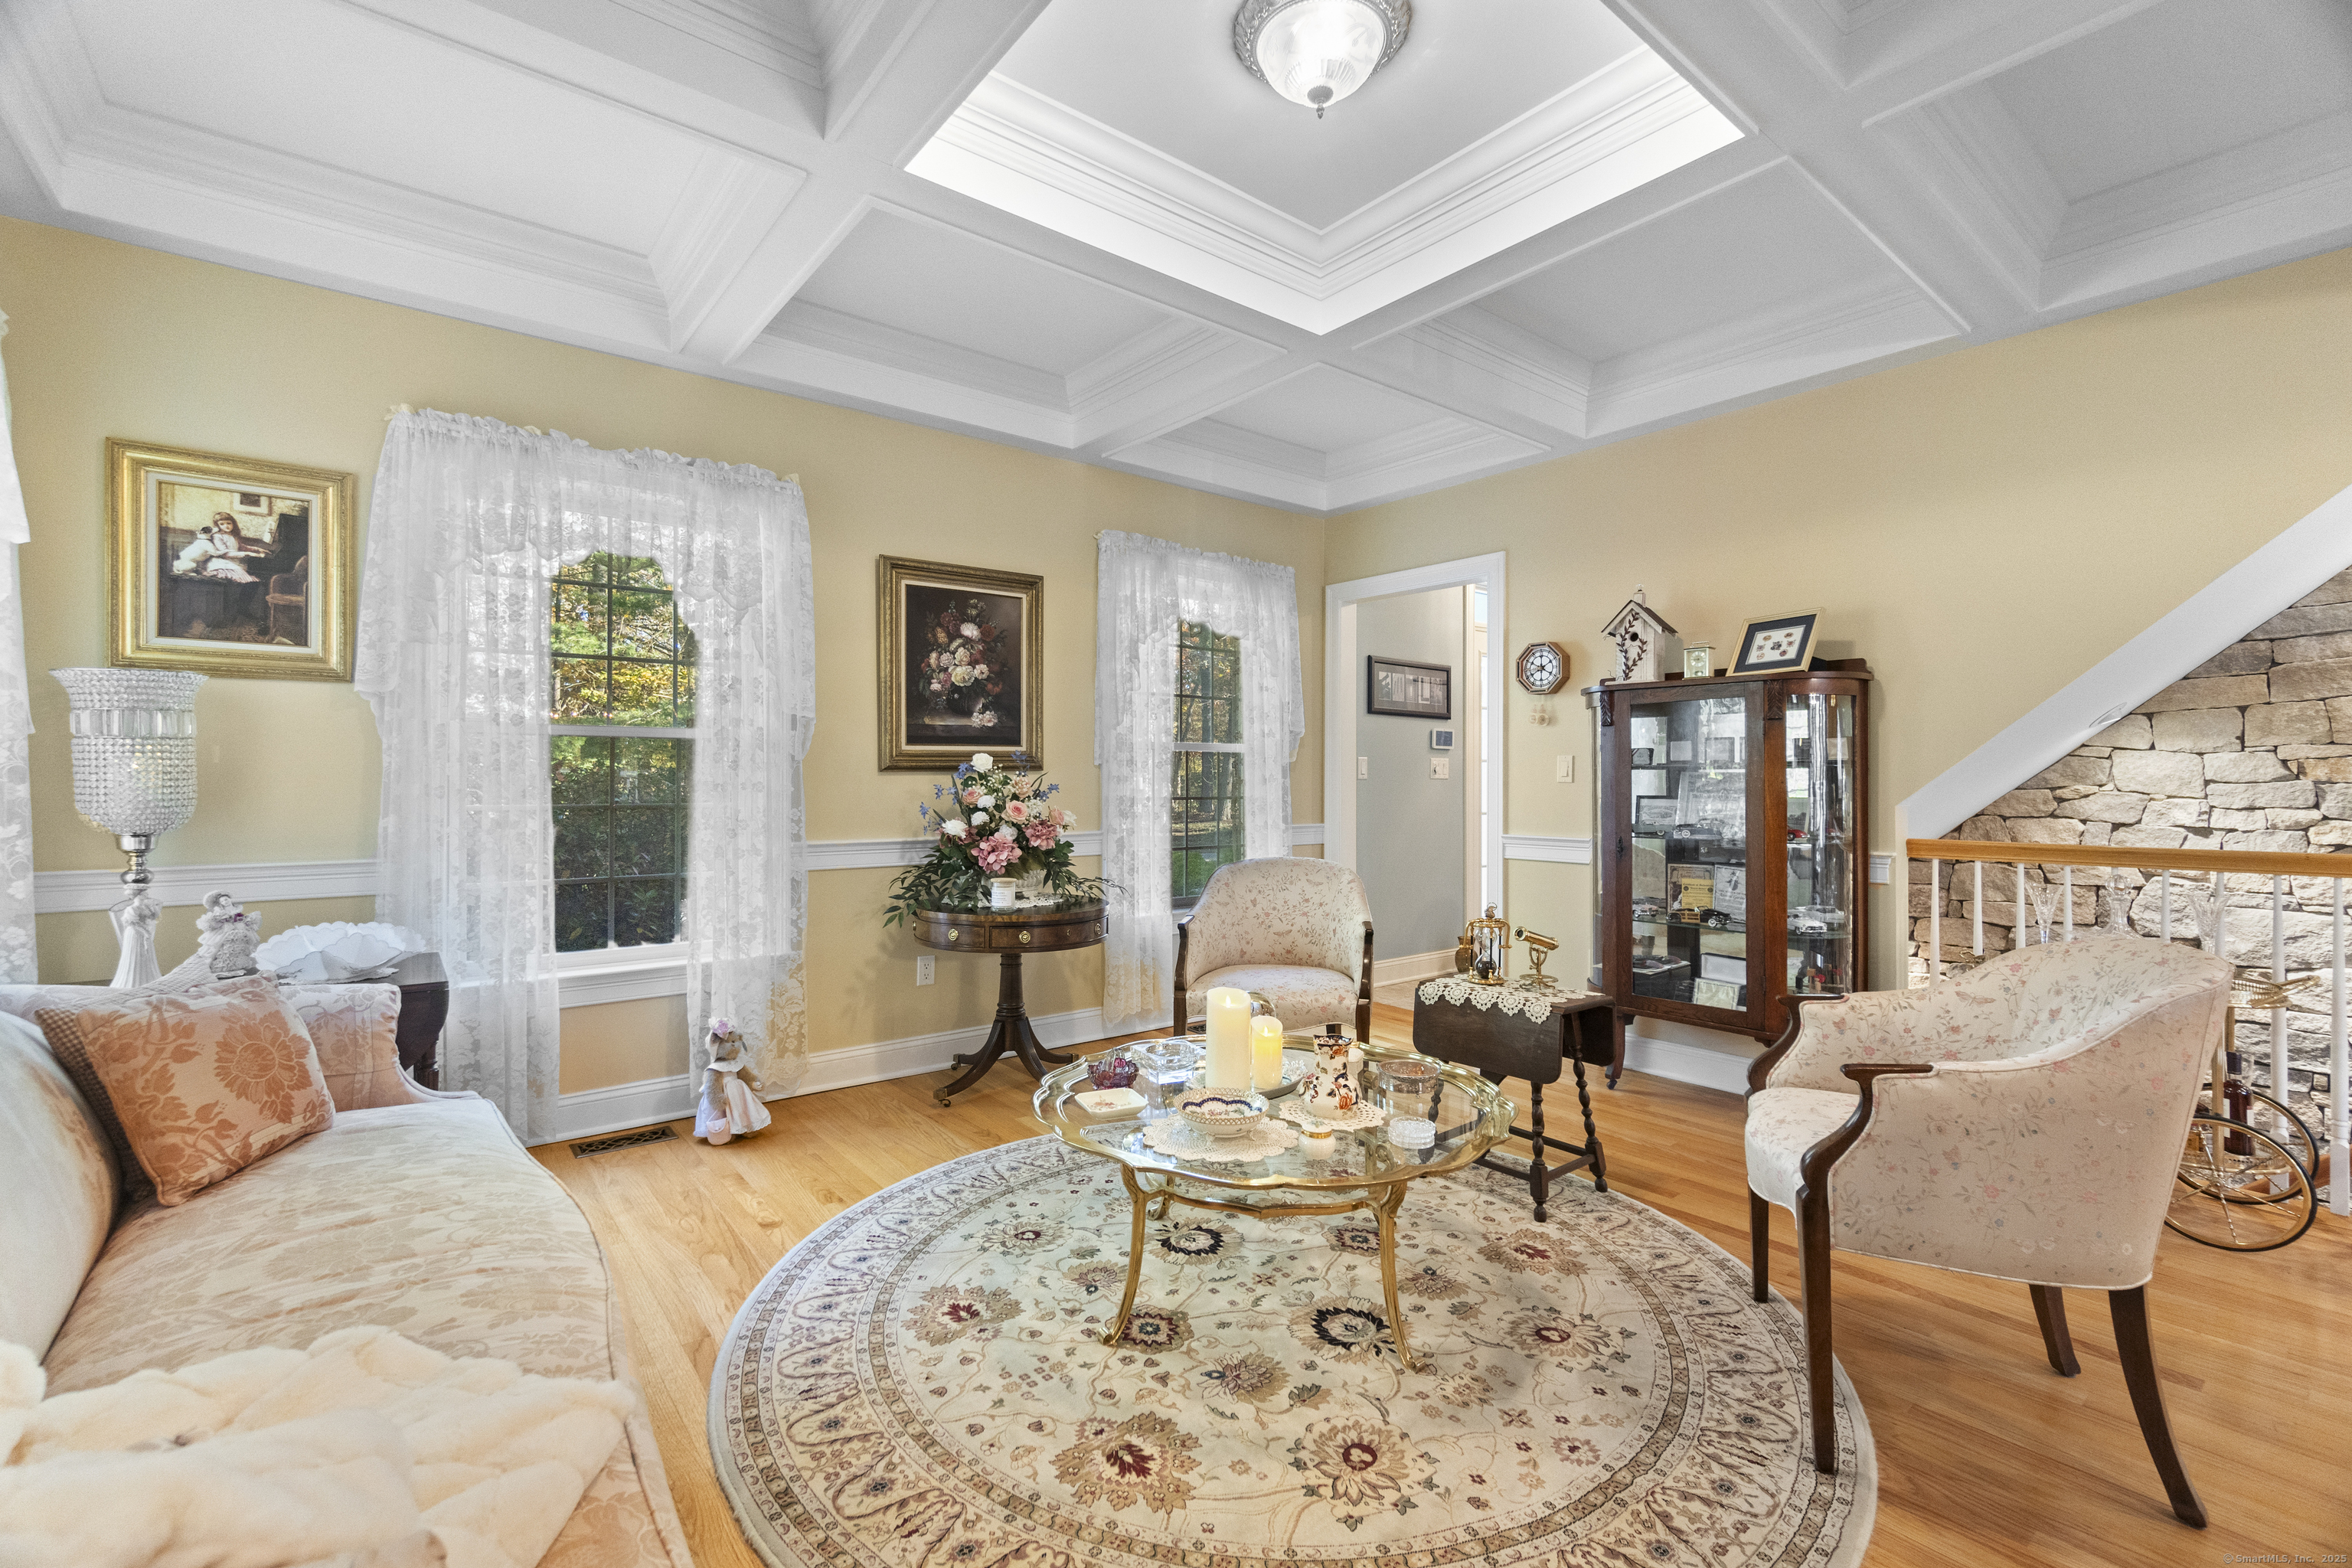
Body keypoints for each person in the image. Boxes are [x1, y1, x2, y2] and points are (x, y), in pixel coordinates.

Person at [171, 513, 271, 583]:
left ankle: (241, 608)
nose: (226, 526)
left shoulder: (233, 536)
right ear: (217, 526)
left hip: (234, 563)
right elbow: (226, 554)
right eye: (222, 524)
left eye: (229, 523)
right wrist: (247, 554)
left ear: (233, 524)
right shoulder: (217, 536)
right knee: (247, 580)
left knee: (252, 581)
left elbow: (242, 547)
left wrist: (257, 549)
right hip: (222, 563)